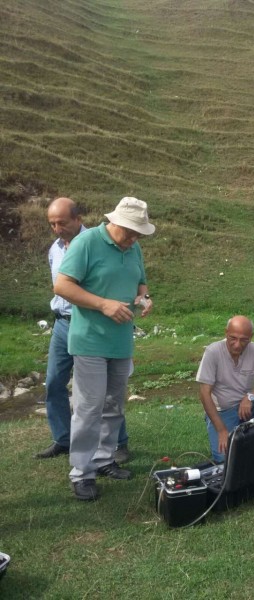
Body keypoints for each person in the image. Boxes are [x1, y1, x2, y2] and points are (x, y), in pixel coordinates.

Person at [54, 197, 154, 501]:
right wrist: (104, 305)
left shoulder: (133, 246)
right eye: (131, 231)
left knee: (114, 404)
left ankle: (104, 458)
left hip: (121, 341)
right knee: (88, 406)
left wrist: (144, 297)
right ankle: (81, 473)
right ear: (116, 223)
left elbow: (140, 282)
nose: (135, 238)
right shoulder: (87, 243)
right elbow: (62, 286)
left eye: (139, 233)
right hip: (89, 340)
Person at [34, 198, 130, 463]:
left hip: (91, 323)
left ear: (77, 219)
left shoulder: (97, 243)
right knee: (54, 382)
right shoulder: (55, 248)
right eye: (52, 223)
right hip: (63, 323)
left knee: (104, 391)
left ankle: (118, 443)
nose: (56, 229)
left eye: (62, 223)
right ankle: (63, 438)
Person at [196, 315, 254, 463]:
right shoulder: (212, 352)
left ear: (251, 337)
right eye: (232, 338)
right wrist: (221, 430)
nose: (237, 344)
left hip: (248, 406)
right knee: (224, 460)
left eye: (244, 340)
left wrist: (250, 396)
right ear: (225, 333)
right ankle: (241, 438)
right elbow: (204, 394)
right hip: (223, 411)